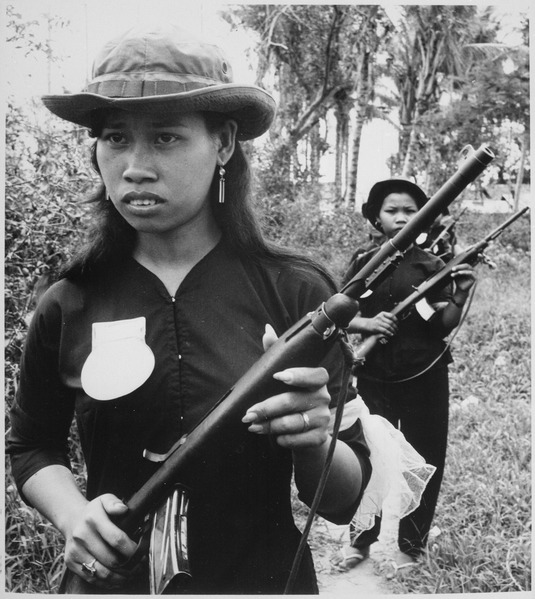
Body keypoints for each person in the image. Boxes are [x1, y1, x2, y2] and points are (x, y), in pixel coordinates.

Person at [6, 26, 372, 594]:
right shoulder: (69, 301)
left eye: (167, 138)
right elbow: (31, 446)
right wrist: (74, 515)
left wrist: (315, 438)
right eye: (115, 138)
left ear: (223, 142)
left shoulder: (296, 294)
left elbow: (345, 501)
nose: (135, 166)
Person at [332, 178, 475, 570]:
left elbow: (439, 323)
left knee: (427, 456)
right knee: (371, 455)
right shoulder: (366, 262)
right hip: (376, 376)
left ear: (424, 217)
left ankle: (412, 546)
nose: (401, 218)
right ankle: (361, 541)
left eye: (410, 211)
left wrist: (459, 293)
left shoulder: (432, 267)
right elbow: (340, 311)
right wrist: (367, 324)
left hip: (424, 377)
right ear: (376, 218)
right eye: (392, 211)